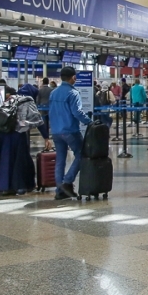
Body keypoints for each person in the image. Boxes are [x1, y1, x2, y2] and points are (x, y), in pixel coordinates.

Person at [0, 84, 49, 195]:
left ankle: (2, 186)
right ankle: (19, 186)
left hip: (1, 133)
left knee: (3, 159)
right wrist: (46, 137)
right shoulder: (27, 100)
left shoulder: (6, 98)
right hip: (17, 134)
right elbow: (38, 120)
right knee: (19, 161)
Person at [49, 66, 92, 200]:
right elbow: (77, 112)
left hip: (56, 130)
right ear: (73, 77)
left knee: (60, 160)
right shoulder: (73, 93)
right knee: (81, 154)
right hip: (70, 130)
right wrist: (89, 122)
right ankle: (67, 182)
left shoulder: (54, 93)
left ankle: (59, 190)